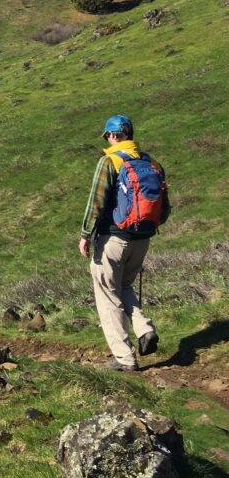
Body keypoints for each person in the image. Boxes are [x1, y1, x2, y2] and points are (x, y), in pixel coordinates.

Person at [78, 114, 171, 371]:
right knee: (124, 286)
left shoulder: (109, 161)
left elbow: (95, 203)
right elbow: (164, 208)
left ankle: (125, 358)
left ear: (112, 135)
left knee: (108, 296)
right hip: (142, 239)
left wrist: (86, 235)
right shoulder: (152, 163)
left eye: (107, 135)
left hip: (112, 240)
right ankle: (144, 329)